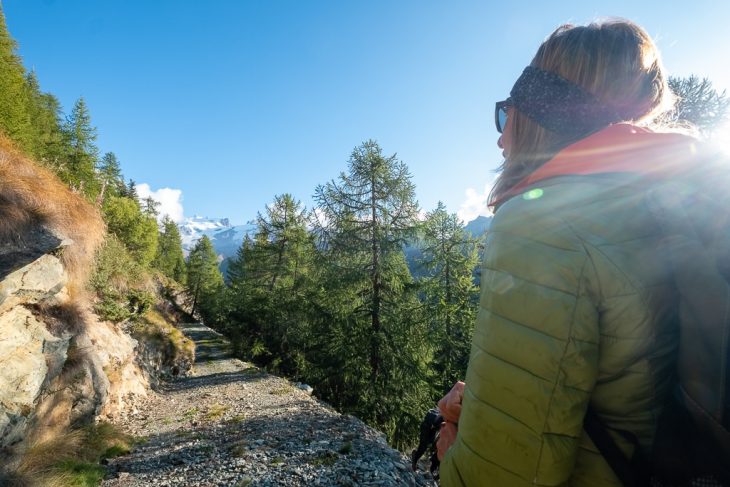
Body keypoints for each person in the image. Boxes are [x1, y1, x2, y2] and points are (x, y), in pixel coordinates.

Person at [435, 19, 723, 486]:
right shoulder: (664, 204)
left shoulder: (542, 223)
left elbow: (503, 475)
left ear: (542, 114)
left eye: (508, 115)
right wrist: (493, 402)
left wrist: (454, 455)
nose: (501, 137)